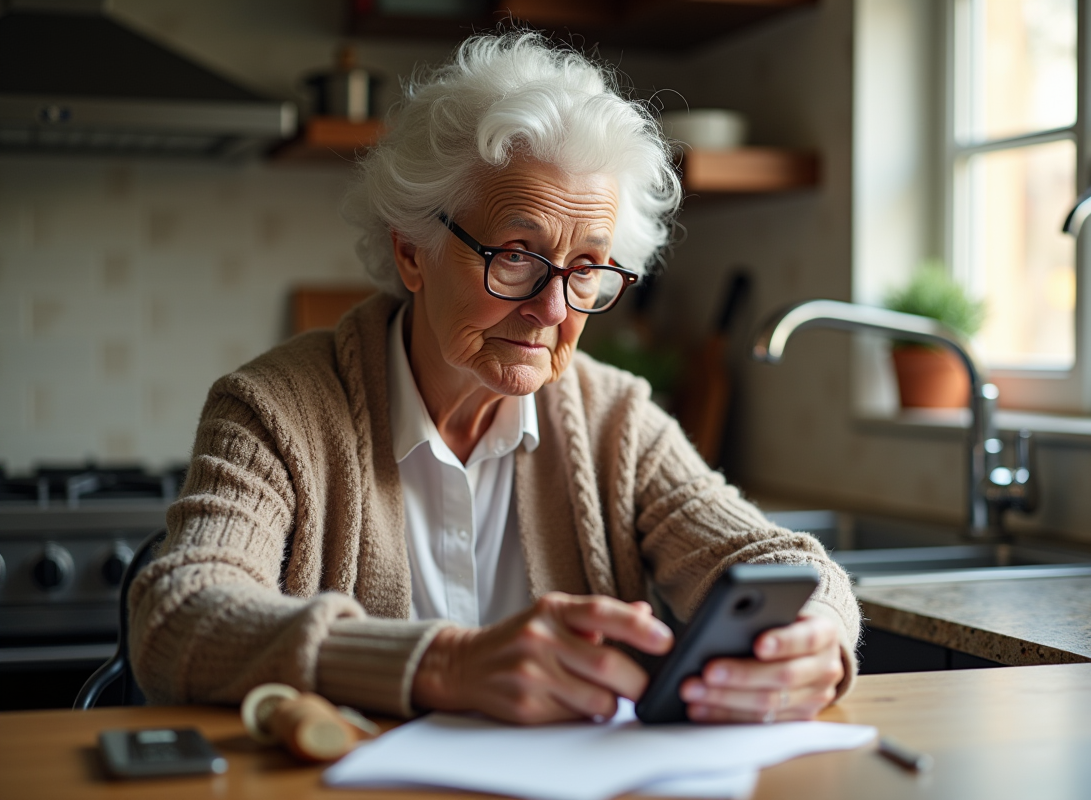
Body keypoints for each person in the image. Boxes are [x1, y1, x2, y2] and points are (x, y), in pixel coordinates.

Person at [129, 31, 861, 726]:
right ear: (412, 252)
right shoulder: (274, 409)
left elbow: (776, 562)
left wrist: (815, 634)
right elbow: (178, 616)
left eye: (586, 268)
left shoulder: (615, 421)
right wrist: (446, 663)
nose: (552, 309)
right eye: (516, 255)